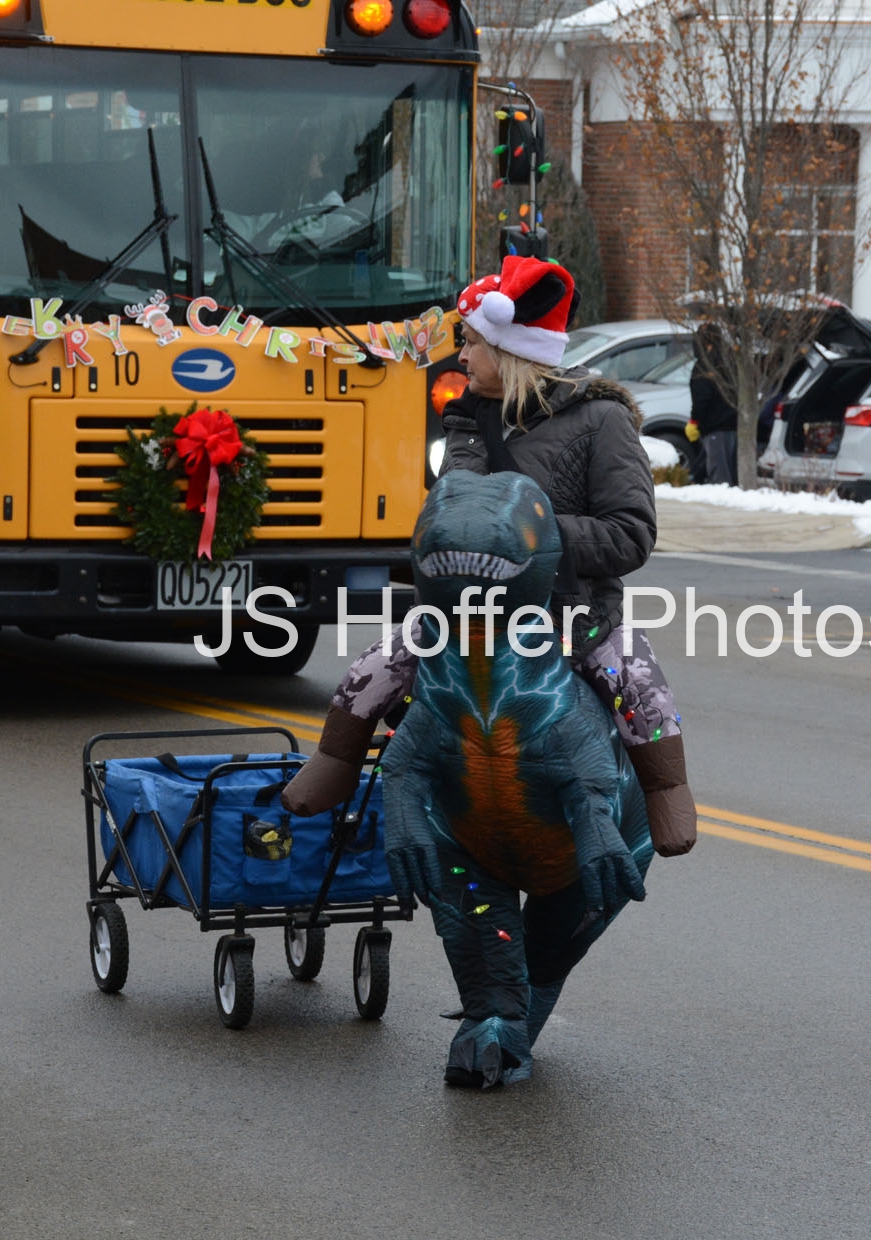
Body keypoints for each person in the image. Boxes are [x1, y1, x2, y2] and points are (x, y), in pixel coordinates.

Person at [282, 256, 697, 857]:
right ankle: (336, 761)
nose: (462, 357)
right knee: (373, 669)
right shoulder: (464, 423)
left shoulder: (602, 421)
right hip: (464, 617)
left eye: (472, 344)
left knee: (637, 681)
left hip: (571, 614)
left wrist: (534, 538)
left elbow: (631, 534)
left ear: (510, 353)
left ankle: (666, 790)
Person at [686, 324, 740, 485]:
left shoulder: (705, 367)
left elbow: (702, 397)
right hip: (734, 424)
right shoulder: (732, 362)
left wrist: (694, 421)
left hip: (715, 426)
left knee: (720, 474)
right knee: (730, 470)